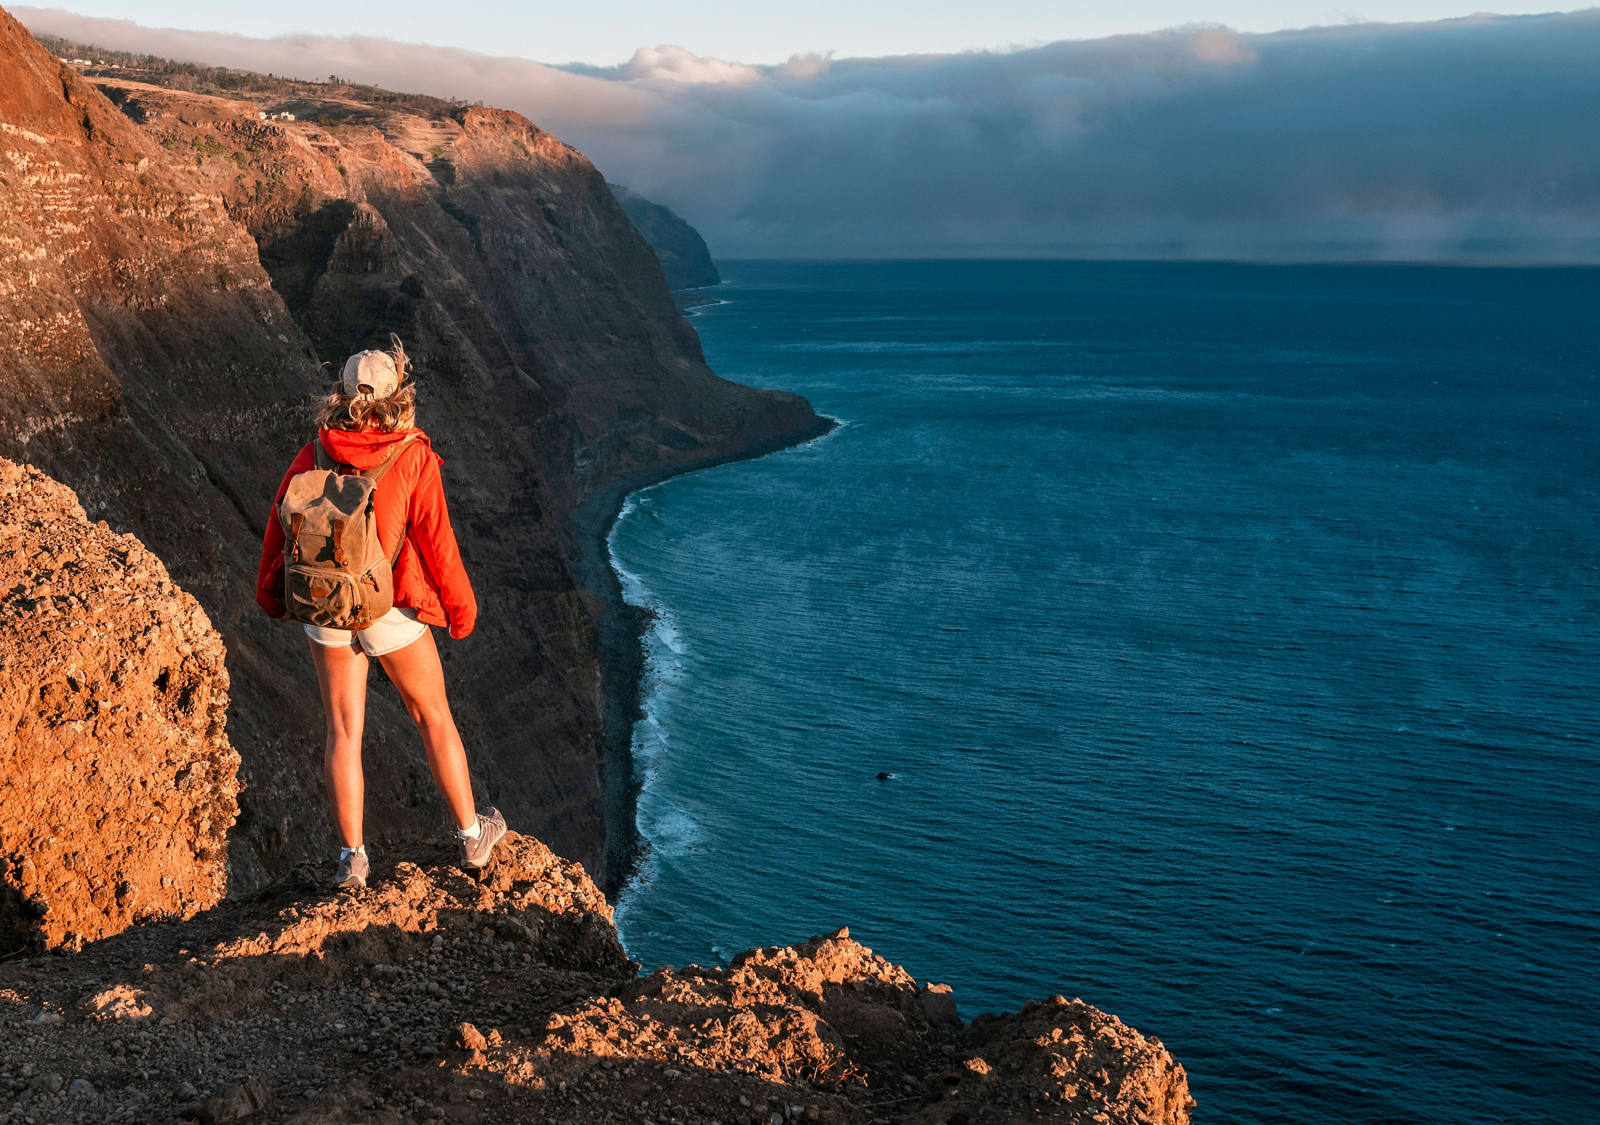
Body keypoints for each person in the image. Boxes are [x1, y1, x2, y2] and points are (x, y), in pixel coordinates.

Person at [255, 336, 505, 888]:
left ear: (342, 394)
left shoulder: (316, 450)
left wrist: (270, 595)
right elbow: (439, 544)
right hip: (387, 607)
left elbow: (280, 525)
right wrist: (461, 613)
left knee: (344, 729)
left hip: (324, 604)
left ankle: (352, 859)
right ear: (398, 393)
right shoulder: (413, 455)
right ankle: (471, 837)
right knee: (432, 715)